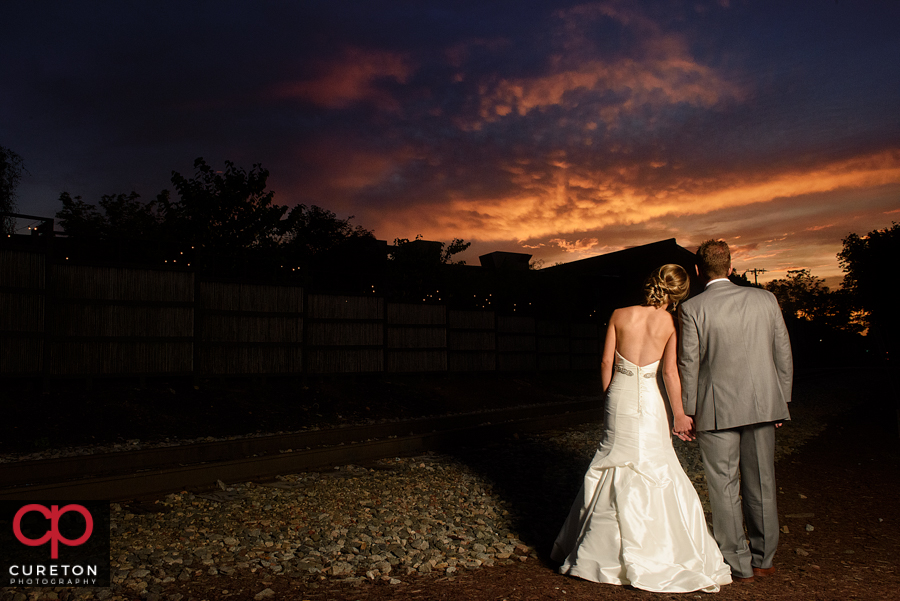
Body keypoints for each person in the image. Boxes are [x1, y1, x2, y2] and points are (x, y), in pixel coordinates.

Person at [551, 264, 732, 593]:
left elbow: (606, 362)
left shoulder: (620, 314)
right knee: (655, 463)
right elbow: (670, 374)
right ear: (678, 294)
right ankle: (660, 551)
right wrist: (679, 414)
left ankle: (596, 553)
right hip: (650, 400)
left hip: (619, 394)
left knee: (612, 460)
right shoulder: (671, 323)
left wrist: (610, 398)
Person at [677, 239, 792, 583]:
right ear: (731, 267)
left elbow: (689, 363)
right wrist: (780, 401)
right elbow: (782, 352)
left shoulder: (692, 308)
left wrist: (688, 410)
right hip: (762, 404)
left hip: (715, 408)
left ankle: (738, 565)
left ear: (698, 271)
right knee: (762, 482)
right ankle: (764, 558)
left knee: (724, 486)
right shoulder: (765, 299)